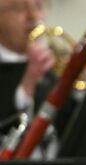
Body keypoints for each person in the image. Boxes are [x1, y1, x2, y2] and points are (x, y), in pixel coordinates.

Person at [0, 0, 57, 156]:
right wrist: (28, 84)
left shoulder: (52, 67)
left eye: (38, 6)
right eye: (18, 9)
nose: (34, 17)